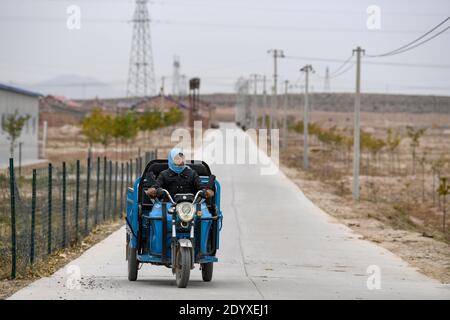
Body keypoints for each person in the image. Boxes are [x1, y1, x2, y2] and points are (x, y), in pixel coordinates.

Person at [145, 148, 214, 199]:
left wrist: (206, 192)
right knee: (155, 215)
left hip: (190, 206)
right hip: (168, 206)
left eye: (182, 158)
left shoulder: (192, 173)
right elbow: (157, 186)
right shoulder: (164, 174)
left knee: (204, 215)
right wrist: (154, 191)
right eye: (177, 158)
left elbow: (201, 187)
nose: (181, 161)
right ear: (172, 160)